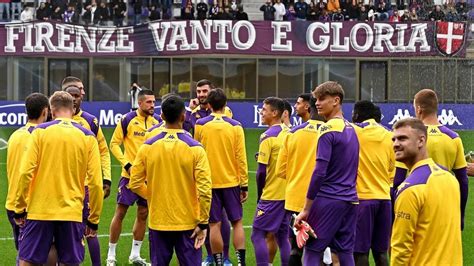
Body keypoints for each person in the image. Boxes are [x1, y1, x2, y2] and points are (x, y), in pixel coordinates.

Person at [14, 91, 104, 265]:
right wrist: (94, 219)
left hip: (40, 210)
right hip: (71, 212)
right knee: (69, 262)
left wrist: (19, 207)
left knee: (28, 261)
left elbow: (25, 172)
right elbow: (95, 182)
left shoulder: (39, 132)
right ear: (73, 108)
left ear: (51, 110)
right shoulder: (87, 136)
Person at [129, 94, 212, 265]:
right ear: (183, 116)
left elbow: (135, 182)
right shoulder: (196, 148)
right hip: (188, 222)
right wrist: (203, 223)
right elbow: (205, 190)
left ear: (162, 116)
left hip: (159, 221)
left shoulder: (147, 147)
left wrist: (152, 197)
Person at [295, 81, 359, 265]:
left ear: (336, 100)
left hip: (329, 198)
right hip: (350, 199)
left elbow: (319, 172)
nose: (317, 103)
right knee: (345, 251)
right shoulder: (351, 129)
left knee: (312, 250)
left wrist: (307, 208)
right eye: (316, 99)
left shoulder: (326, 128)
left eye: (322, 99)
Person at [394, 89, 468, 230]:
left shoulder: (411, 138)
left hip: (417, 202)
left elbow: (398, 178)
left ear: (419, 109)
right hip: (446, 204)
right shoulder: (453, 138)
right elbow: (463, 181)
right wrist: (461, 214)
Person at [391, 118, 462, 265]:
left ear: (421, 141)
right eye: (394, 139)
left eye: (402, 138)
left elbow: (401, 248)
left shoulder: (410, 189)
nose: (396, 144)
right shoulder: (450, 178)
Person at [194, 88, 248, 266]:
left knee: (214, 224)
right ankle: (241, 262)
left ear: (208, 104)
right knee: (237, 223)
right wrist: (244, 185)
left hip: (209, 182)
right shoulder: (235, 126)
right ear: (225, 105)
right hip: (231, 181)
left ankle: (218, 261)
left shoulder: (200, 124)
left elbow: (197, 153)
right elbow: (241, 157)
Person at [107, 89, 161, 266]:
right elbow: (114, 144)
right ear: (140, 103)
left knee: (143, 214)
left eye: (154, 102)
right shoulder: (127, 119)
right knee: (120, 212)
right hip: (129, 176)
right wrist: (127, 164)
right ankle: (111, 256)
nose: (153, 105)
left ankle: (135, 255)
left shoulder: (158, 122)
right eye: (149, 102)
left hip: (150, 177)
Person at [63, 83, 111, 265]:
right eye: (71, 95)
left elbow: (104, 151)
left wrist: (106, 177)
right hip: (62, 185)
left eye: (77, 95)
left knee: (90, 230)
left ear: (81, 97)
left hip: (85, 186)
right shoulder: (52, 120)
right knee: (64, 231)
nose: (74, 98)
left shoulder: (91, 121)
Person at [275, 95, 324, 265]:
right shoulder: (331, 132)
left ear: (309, 108)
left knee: (296, 247)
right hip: (322, 199)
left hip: (295, 198)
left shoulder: (292, 133)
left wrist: (297, 175)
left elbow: (280, 170)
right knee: (323, 249)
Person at [352, 101, 394, 266]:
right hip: (384, 198)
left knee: (360, 252)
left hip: (363, 198)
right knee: (381, 252)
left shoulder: (354, 131)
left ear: (358, 114)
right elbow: (393, 168)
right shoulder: (390, 135)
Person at [6, 93, 49, 253]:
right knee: (31, 257)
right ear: (45, 111)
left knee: (23, 252)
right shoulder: (41, 137)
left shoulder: (15, 135)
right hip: (30, 205)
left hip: (12, 202)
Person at [251, 97, 291, 266]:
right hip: (287, 194)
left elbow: (261, 172)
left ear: (274, 113)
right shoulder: (290, 133)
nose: (261, 112)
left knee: (257, 234)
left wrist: (261, 195)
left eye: (264, 109)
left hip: (272, 194)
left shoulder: (267, 136)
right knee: (282, 236)